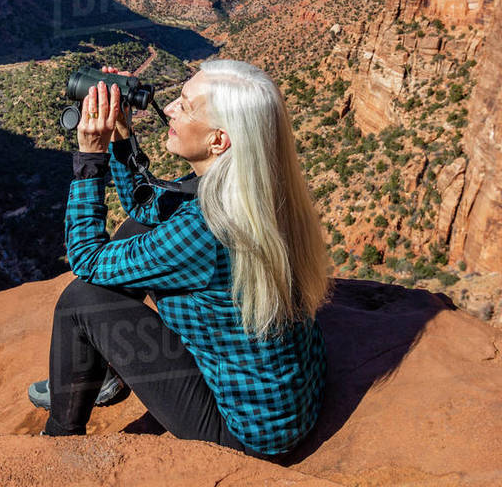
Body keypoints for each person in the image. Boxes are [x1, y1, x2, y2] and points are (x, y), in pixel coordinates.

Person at [29, 59, 329, 458]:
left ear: (219, 140)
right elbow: (149, 208)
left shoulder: (207, 228)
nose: (169, 107)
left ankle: (58, 442)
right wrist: (121, 136)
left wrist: (90, 157)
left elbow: (84, 259)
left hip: (244, 434)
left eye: (185, 105)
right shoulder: (253, 184)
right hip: (294, 400)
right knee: (137, 232)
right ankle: (92, 372)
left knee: (80, 302)